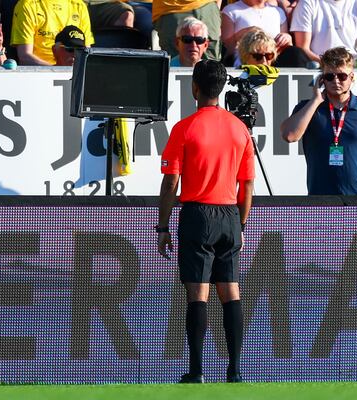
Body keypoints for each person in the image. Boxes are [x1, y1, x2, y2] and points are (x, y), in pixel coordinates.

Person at [157, 60, 255, 383]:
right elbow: (248, 185)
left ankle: (197, 370)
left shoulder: (184, 128)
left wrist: (163, 226)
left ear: (194, 88)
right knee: (231, 290)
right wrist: (240, 223)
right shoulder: (240, 129)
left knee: (198, 293)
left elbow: (171, 182)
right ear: (222, 88)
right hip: (229, 214)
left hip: (197, 213)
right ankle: (236, 369)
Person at [280, 47, 357, 195]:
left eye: (342, 76)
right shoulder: (308, 108)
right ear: (322, 78)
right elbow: (289, 135)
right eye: (329, 76)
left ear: (352, 77)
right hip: (320, 202)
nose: (336, 81)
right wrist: (315, 101)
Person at [290, 0, 357, 67]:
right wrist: (332, 66)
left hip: (349, 71)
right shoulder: (307, 3)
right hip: (318, 70)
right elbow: (302, 48)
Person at [10, 0, 94, 66]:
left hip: (73, 71)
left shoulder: (79, 6)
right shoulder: (27, 5)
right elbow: (25, 57)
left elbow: (86, 53)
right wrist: (54, 70)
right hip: (39, 73)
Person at [221, 0, 291, 62]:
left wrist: (287, 39)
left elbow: (285, 47)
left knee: (295, 52)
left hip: (272, 60)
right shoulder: (230, 10)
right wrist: (244, 33)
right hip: (246, 61)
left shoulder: (278, 11)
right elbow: (227, 49)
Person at [152, 0, 221, 61]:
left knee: (212, 66)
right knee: (173, 66)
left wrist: (215, 9)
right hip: (171, 8)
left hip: (208, 7)